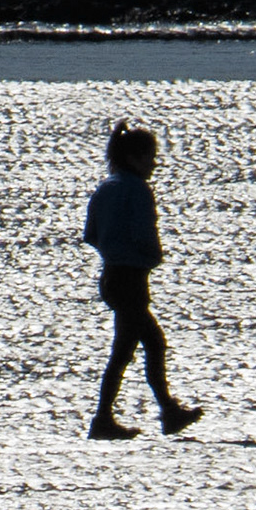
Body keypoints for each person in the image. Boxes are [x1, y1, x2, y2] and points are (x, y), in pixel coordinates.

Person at [82, 120, 202, 441]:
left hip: (111, 276)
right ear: (134, 158)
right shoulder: (136, 189)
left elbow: (91, 235)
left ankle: (166, 410)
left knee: (147, 343)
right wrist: (152, 256)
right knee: (129, 349)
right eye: (150, 157)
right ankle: (107, 419)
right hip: (131, 279)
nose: (154, 164)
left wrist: (114, 249)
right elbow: (144, 234)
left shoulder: (105, 188)